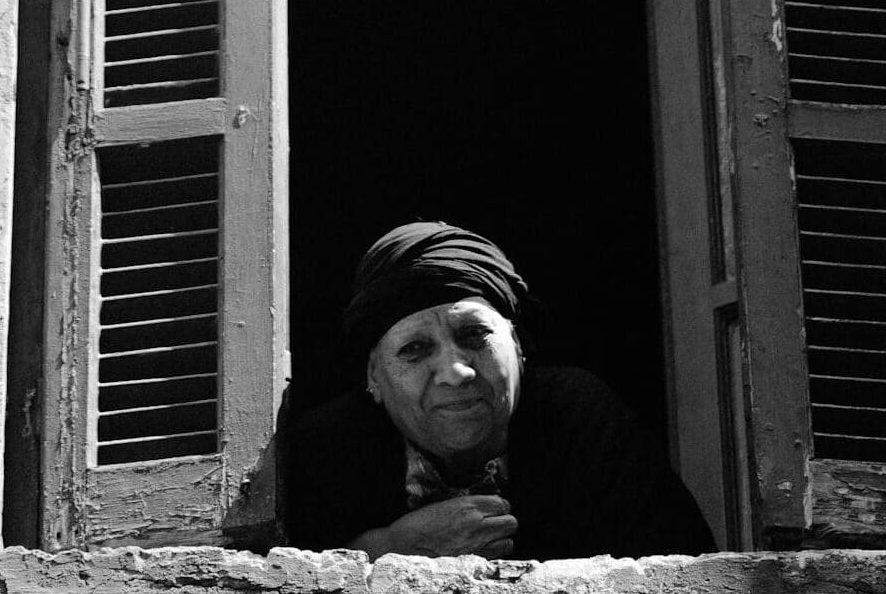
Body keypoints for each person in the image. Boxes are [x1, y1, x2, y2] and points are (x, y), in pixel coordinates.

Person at [285, 220, 714, 560]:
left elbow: (683, 568)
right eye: (415, 350)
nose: (454, 372)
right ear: (374, 378)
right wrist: (389, 550)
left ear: (519, 348)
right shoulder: (329, 447)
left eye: (474, 336)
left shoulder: (578, 417)